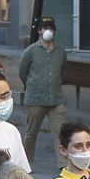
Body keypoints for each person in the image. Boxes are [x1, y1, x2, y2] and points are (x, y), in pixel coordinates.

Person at [17, 16, 67, 165]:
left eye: (50, 28)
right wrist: (33, 86)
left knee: (61, 133)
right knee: (31, 133)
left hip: (56, 98)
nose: (48, 31)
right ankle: (26, 163)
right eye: (45, 28)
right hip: (36, 98)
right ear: (39, 31)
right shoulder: (30, 51)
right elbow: (22, 72)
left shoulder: (61, 51)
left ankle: (63, 165)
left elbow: (62, 71)